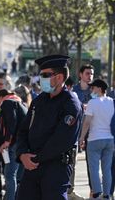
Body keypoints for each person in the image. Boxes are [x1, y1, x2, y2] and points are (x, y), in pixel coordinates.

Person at [16, 55, 82, 200]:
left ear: (59, 78)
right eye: (41, 75)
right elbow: (23, 130)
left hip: (55, 168)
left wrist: (36, 158)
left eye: (45, 75)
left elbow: (61, 140)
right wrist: (22, 154)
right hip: (31, 166)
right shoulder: (39, 101)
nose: (41, 79)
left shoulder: (71, 104)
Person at [79, 79, 114, 200]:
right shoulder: (112, 102)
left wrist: (81, 137)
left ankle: (97, 192)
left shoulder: (93, 103)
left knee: (93, 167)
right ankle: (107, 194)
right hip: (110, 140)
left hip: (94, 139)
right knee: (107, 168)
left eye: (93, 88)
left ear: (99, 88)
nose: (91, 90)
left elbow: (87, 122)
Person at [0, 89, 27, 200]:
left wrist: (7, 141)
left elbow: (11, 121)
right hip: (24, 144)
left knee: (9, 174)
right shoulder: (21, 103)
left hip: (15, 144)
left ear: (0, 97)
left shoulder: (8, 102)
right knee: (19, 176)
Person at [71, 64, 94, 200]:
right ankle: (70, 190)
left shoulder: (95, 91)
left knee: (92, 162)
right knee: (72, 162)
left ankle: (93, 190)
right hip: (77, 130)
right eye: (87, 73)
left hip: (93, 130)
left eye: (91, 74)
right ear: (80, 75)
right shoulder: (74, 92)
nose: (90, 76)